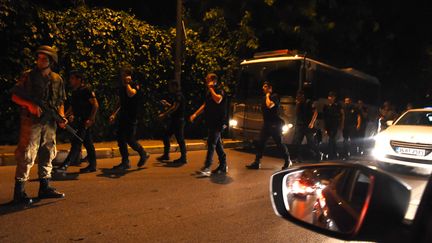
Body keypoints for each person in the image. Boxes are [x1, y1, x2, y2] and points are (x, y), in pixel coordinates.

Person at [11, 45, 66, 205]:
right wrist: (30, 105)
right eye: (39, 58)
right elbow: (15, 96)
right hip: (31, 122)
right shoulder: (28, 76)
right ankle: (19, 192)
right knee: (27, 153)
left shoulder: (57, 79)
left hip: (49, 123)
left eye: (44, 58)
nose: (40, 61)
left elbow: (61, 101)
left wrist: (61, 117)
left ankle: (45, 186)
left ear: (51, 61)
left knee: (48, 152)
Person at [56, 70, 99, 173]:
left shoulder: (86, 90)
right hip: (79, 121)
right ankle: (92, 165)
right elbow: (73, 107)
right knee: (88, 143)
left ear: (79, 79)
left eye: (73, 78)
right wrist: (65, 116)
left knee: (76, 142)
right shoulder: (75, 91)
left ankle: (65, 165)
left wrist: (91, 118)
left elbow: (95, 104)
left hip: (85, 121)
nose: (70, 80)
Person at [109, 66, 150, 170]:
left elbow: (131, 94)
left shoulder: (134, 84)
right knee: (120, 138)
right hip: (123, 116)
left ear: (128, 74)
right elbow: (120, 102)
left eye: (123, 73)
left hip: (131, 117)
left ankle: (143, 153)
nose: (121, 75)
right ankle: (125, 161)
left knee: (130, 139)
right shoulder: (122, 86)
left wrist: (127, 83)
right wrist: (114, 113)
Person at [246, 81, 292, 170]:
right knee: (261, 143)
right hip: (267, 124)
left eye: (265, 86)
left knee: (279, 143)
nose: (263, 88)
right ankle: (257, 162)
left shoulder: (275, 96)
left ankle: (288, 160)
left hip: (275, 124)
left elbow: (270, 105)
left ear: (270, 88)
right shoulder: (264, 98)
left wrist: (267, 95)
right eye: (263, 86)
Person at [190, 73, 228, 176]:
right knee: (217, 145)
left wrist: (211, 88)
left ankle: (207, 167)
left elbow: (218, 99)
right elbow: (205, 104)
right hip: (212, 121)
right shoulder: (209, 92)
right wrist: (195, 114)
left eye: (208, 78)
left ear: (213, 80)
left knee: (211, 143)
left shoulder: (219, 89)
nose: (206, 80)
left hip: (219, 122)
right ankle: (223, 165)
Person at [156, 81, 187, 164]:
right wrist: (167, 104)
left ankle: (183, 158)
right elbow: (174, 107)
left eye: (171, 86)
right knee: (166, 135)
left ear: (175, 86)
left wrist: (164, 115)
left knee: (180, 139)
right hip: (175, 120)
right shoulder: (176, 95)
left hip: (178, 120)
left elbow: (175, 108)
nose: (170, 88)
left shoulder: (178, 95)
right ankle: (166, 155)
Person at [292, 90, 319, 161]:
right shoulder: (299, 103)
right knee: (297, 142)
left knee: (311, 143)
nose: (297, 98)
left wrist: (312, 122)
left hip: (308, 126)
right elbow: (297, 114)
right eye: (297, 96)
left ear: (302, 96)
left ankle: (318, 155)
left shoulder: (309, 102)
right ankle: (298, 157)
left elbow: (315, 112)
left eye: (299, 96)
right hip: (300, 126)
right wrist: (297, 104)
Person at [323, 91, 344, 160]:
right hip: (328, 125)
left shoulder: (337, 105)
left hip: (334, 124)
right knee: (332, 140)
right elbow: (325, 117)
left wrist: (342, 124)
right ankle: (335, 154)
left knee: (331, 139)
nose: (330, 98)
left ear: (334, 98)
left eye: (331, 97)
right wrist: (325, 127)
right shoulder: (326, 106)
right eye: (329, 96)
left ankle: (330, 155)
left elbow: (342, 114)